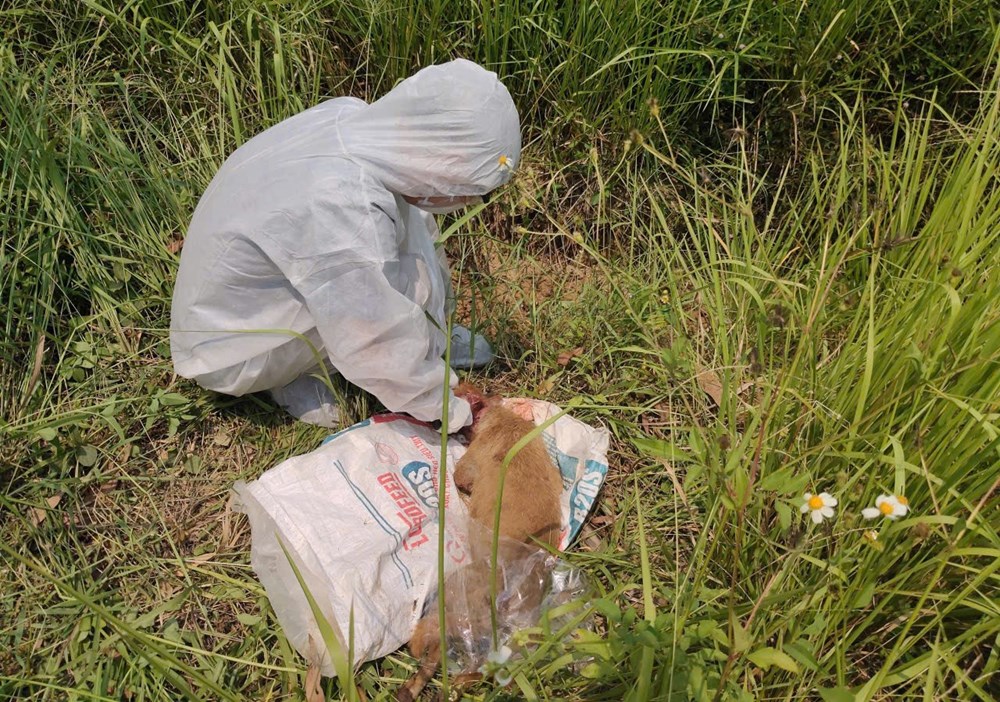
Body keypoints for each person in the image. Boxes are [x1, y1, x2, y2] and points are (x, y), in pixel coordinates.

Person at [169, 59, 520, 430]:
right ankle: (297, 378)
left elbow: (409, 234)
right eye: (468, 191)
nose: (465, 201)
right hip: (234, 347)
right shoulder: (342, 204)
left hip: (252, 289)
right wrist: (448, 409)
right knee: (366, 313)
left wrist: (431, 334)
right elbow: (370, 333)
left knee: (406, 223)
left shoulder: (356, 120)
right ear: (438, 161)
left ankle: (431, 340)